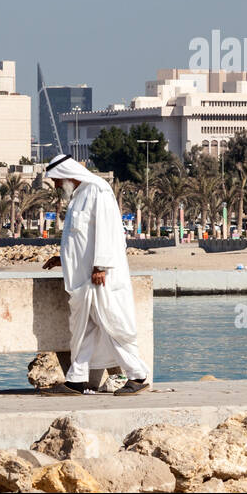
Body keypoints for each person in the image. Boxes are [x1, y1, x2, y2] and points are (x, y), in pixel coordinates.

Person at [41, 154, 150, 395]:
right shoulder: (79, 196)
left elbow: (108, 232)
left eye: (58, 180)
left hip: (101, 278)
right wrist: (64, 259)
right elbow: (81, 240)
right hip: (83, 280)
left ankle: (138, 375)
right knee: (85, 329)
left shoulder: (98, 191)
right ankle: (77, 379)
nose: (57, 186)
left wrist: (100, 266)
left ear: (68, 175)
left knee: (112, 325)